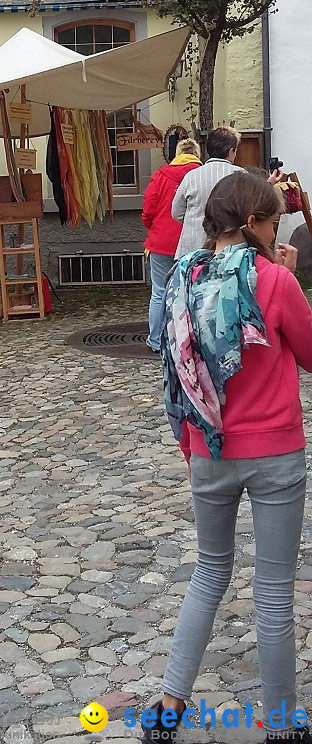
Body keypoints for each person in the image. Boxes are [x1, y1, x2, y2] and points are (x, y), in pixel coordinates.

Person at [142, 171, 312, 744]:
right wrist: (288, 278)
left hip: (208, 449)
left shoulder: (183, 281)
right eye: (274, 220)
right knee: (272, 590)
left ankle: (168, 706)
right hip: (275, 453)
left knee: (209, 572)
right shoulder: (274, 281)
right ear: (257, 224)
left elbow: (176, 367)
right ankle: (282, 725)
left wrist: (190, 444)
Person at [141, 138, 202, 352]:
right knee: (191, 292)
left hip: (161, 242)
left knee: (159, 292)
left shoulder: (161, 175)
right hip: (194, 244)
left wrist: (153, 226)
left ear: (176, 154)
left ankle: (156, 339)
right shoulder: (201, 175)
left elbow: (148, 208)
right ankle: (189, 340)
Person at [172, 126, 241, 257]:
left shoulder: (191, 176)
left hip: (191, 249)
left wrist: (193, 221)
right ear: (231, 151)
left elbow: (176, 212)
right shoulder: (240, 176)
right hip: (229, 251)